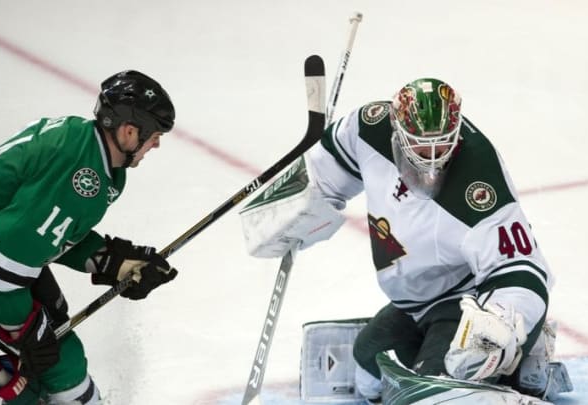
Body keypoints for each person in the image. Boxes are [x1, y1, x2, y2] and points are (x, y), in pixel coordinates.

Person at [241, 78, 570, 403]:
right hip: (414, 304)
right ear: (396, 130)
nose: (430, 157)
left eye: (442, 144)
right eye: (419, 144)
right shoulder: (369, 128)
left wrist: (499, 323)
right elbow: (325, 172)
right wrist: (298, 204)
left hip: (466, 303)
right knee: (367, 364)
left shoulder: (480, 185)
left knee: (433, 391)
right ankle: (511, 368)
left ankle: (518, 363)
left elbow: (521, 269)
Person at [0, 70, 179, 404]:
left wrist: (108, 259)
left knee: (53, 352)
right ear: (129, 132)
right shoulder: (79, 175)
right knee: (48, 365)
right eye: (154, 135)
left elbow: (45, 228)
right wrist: (26, 331)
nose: (156, 143)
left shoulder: (91, 152)